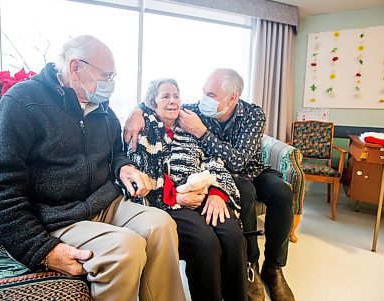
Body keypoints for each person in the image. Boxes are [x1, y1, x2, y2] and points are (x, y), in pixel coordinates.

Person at [0, 35, 186, 301]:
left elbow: (116, 152)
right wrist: (40, 249)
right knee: (125, 249)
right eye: (107, 75)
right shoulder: (23, 101)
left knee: (161, 223)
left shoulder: (103, 109)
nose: (111, 83)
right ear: (75, 67)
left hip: (103, 203)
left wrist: (123, 167)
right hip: (55, 214)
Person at [125, 69, 295, 301]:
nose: (203, 99)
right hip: (201, 188)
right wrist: (136, 111)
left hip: (246, 170)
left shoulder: (251, 115)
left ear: (232, 98)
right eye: (204, 92)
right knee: (213, 235)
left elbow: (235, 162)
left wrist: (217, 188)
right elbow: (155, 102)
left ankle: (272, 268)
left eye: (211, 94)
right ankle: (251, 264)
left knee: (279, 195)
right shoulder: (184, 116)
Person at [127, 79, 248, 301]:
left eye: (176, 95)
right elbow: (141, 177)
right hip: (168, 204)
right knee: (205, 242)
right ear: (153, 103)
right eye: (165, 96)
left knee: (233, 236)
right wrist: (177, 197)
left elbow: (214, 162)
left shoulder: (189, 128)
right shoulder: (143, 132)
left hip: (204, 195)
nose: (173, 101)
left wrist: (217, 193)